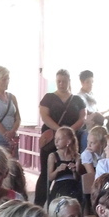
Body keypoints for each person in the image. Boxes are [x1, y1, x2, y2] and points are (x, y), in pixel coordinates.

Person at [36, 69, 87, 206]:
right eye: (58, 81)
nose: (61, 84)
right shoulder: (48, 97)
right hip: (52, 137)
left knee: (72, 171)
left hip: (71, 140)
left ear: (69, 81)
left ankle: (73, 203)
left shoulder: (77, 100)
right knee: (46, 172)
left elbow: (82, 118)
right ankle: (39, 205)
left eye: (64, 81)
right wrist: (60, 131)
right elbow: (44, 116)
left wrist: (69, 132)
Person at [47, 125, 83, 203]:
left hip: (73, 186)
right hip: (59, 186)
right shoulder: (53, 156)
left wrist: (74, 171)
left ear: (68, 142)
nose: (56, 141)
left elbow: (77, 178)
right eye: (55, 139)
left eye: (59, 139)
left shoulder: (77, 156)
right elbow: (50, 177)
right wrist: (57, 170)